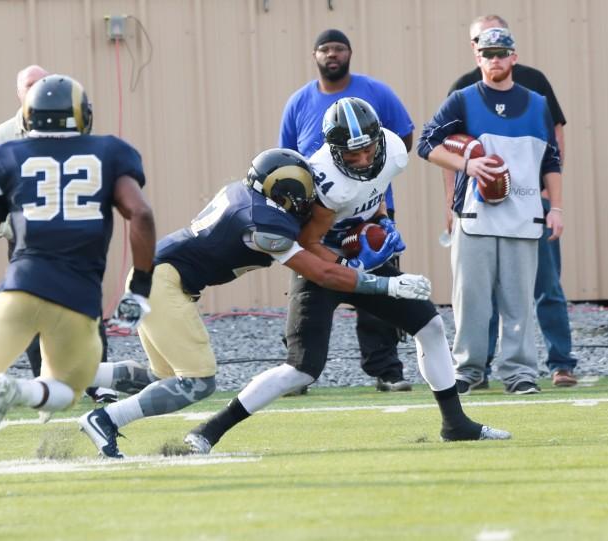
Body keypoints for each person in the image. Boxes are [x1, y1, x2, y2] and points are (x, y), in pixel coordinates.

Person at [186, 99, 510, 454]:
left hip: (359, 255)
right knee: (301, 369)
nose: (361, 160)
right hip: (320, 263)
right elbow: (308, 242)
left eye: (367, 149)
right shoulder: (326, 178)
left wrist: (382, 222)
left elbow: (374, 194)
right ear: (333, 151)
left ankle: (456, 424)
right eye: (351, 155)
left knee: (430, 326)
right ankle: (208, 430)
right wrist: (350, 265)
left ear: (378, 140)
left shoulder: (393, 152)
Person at [79, 147, 434, 459]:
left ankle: (75, 375)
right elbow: (321, 274)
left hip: (153, 277)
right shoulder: (265, 224)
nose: (308, 205)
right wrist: (386, 284)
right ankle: (105, 419)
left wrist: (350, 259)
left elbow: (320, 258)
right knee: (197, 382)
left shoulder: (246, 198)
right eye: (304, 197)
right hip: (164, 284)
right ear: (285, 194)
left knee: (162, 377)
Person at [0, 74, 155, 497]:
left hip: (19, 290)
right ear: (82, 116)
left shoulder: (7, 155)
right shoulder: (110, 153)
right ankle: (20, 391)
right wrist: (140, 287)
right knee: (66, 391)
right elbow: (140, 215)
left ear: (27, 117)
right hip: (77, 303)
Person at [418, 27, 564, 395]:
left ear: (514, 57)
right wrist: (467, 166)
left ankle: (520, 373)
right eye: (488, 53)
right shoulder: (462, 100)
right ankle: (468, 370)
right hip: (474, 215)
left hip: (524, 214)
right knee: (471, 299)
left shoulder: (537, 103)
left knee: (518, 301)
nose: (494, 59)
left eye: (501, 53)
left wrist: (557, 207)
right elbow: (426, 144)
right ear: (476, 56)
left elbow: (551, 159)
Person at [280, 29, 416, 392]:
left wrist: (380, 210)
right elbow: (290, 161)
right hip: (319, 216)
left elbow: (402, 137)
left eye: (338, 48)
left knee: (379, 297)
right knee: (308, 300)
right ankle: (297, 371)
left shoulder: (377, 93)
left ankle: (386, 368)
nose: (332, 54)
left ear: (350, 52)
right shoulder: (298, 102)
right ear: (315, 55)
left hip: (367, 214)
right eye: (325, 48)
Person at [0, 64, 118, 403]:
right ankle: (42, 380)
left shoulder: (74, 129)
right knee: (30, 310)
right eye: (29, 84)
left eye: (41, 83)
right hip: (25, 238)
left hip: (73, 233)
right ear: (18, 92)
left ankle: (96, 379)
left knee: (87, 304)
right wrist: (2, 229)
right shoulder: (4, 134)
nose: (37, 89)